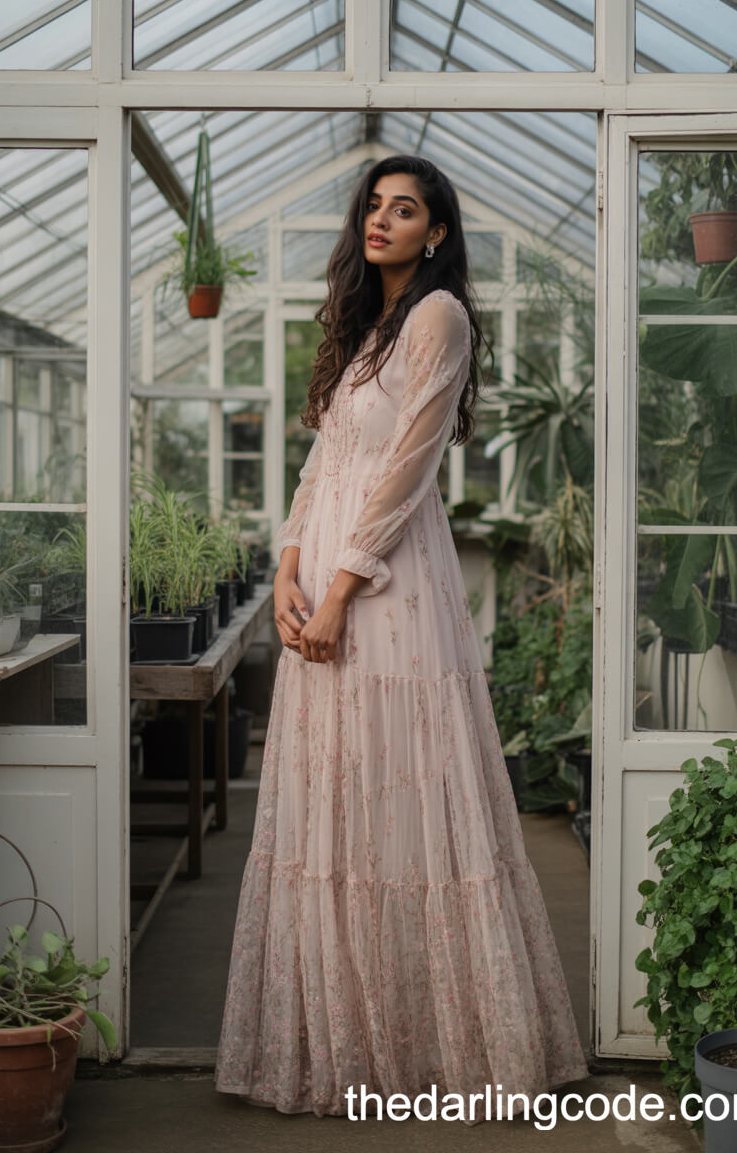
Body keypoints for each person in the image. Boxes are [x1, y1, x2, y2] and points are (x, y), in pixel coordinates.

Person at [214, 155, 588, 1121]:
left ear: (438, 232)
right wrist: (288, 569)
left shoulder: (438, 318)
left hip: (389, 589)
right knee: (333, 796)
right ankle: (341, 1044)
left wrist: (341, 591)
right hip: (323, 580)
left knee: (400, 789)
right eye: (373, 206)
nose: (381, 220)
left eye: (405, 209)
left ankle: (434, 1049)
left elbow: (409, 467)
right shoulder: (364, 331)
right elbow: (323, 466)